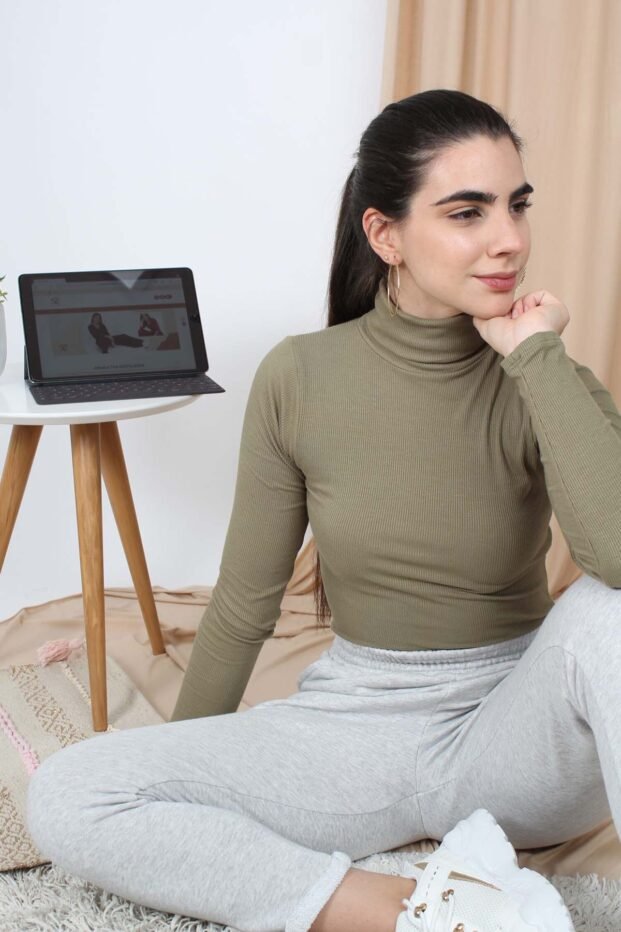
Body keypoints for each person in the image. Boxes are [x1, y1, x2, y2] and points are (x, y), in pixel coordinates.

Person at [27, 89, 621, 931]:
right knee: (72, 791)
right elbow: (245, 601)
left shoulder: (539, 371)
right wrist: (183, 757)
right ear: (385, 234)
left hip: (514, 738)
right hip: (352, 731)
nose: (509, 240)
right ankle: (428, 909)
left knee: (606, 610)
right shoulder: (301, 375)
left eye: (515, 206)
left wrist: (536, 357)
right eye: (467, 212)